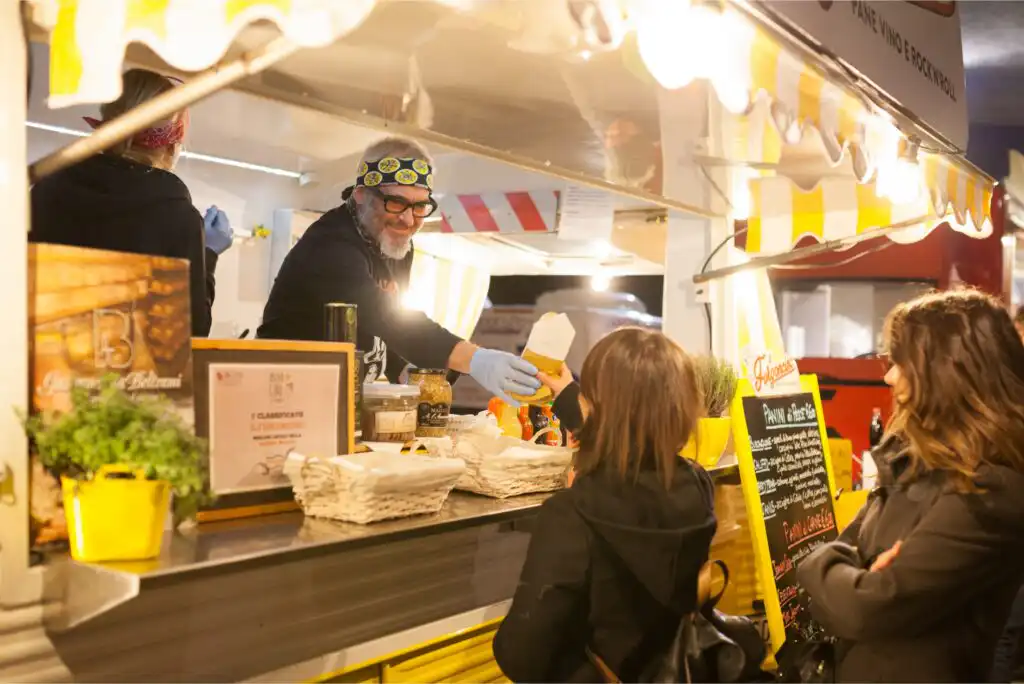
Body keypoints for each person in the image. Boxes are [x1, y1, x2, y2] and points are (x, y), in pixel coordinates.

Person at [796, 289, 1024, 682]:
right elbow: (850, 560)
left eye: (901, 363)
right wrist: (849, 570)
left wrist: (822, 565)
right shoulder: (914, 462)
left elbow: (867, 607)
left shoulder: (991, 490)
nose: (888, 376)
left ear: (948, 372)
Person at [492, 328, 717, 682]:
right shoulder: (698, 486)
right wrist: (570, 396)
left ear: (596, 408)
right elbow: (632, 431)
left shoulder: (572, 514)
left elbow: (521, 655)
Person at [258, 136, 539, 403]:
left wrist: (404, 372)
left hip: (342, 400)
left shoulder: (396, 245)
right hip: (284, 395)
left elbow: (383, 327)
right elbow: (380, 313)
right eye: (395, 203)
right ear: (361, 194)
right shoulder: (330, 246)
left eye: (420, 206)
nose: (407, 219)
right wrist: (477, 360)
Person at [30, 68, 231, 338]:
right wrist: (208, 253)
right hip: (126, 364)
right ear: (175, 141)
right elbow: (191, 333)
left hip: (42, 359)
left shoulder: (47, 190)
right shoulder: (176, 217)